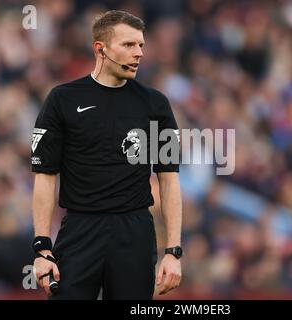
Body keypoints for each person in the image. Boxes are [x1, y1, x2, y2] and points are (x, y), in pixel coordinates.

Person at [30, 10, 182, 300]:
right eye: (128, 45)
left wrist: (174, 251)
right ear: (100, 49)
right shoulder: (62, 100)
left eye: (141, 45)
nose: (138, 53)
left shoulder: (156, 104)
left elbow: (170, 179)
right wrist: (42, 247)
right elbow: (45, 177)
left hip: (134, 233)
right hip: (79, 230)